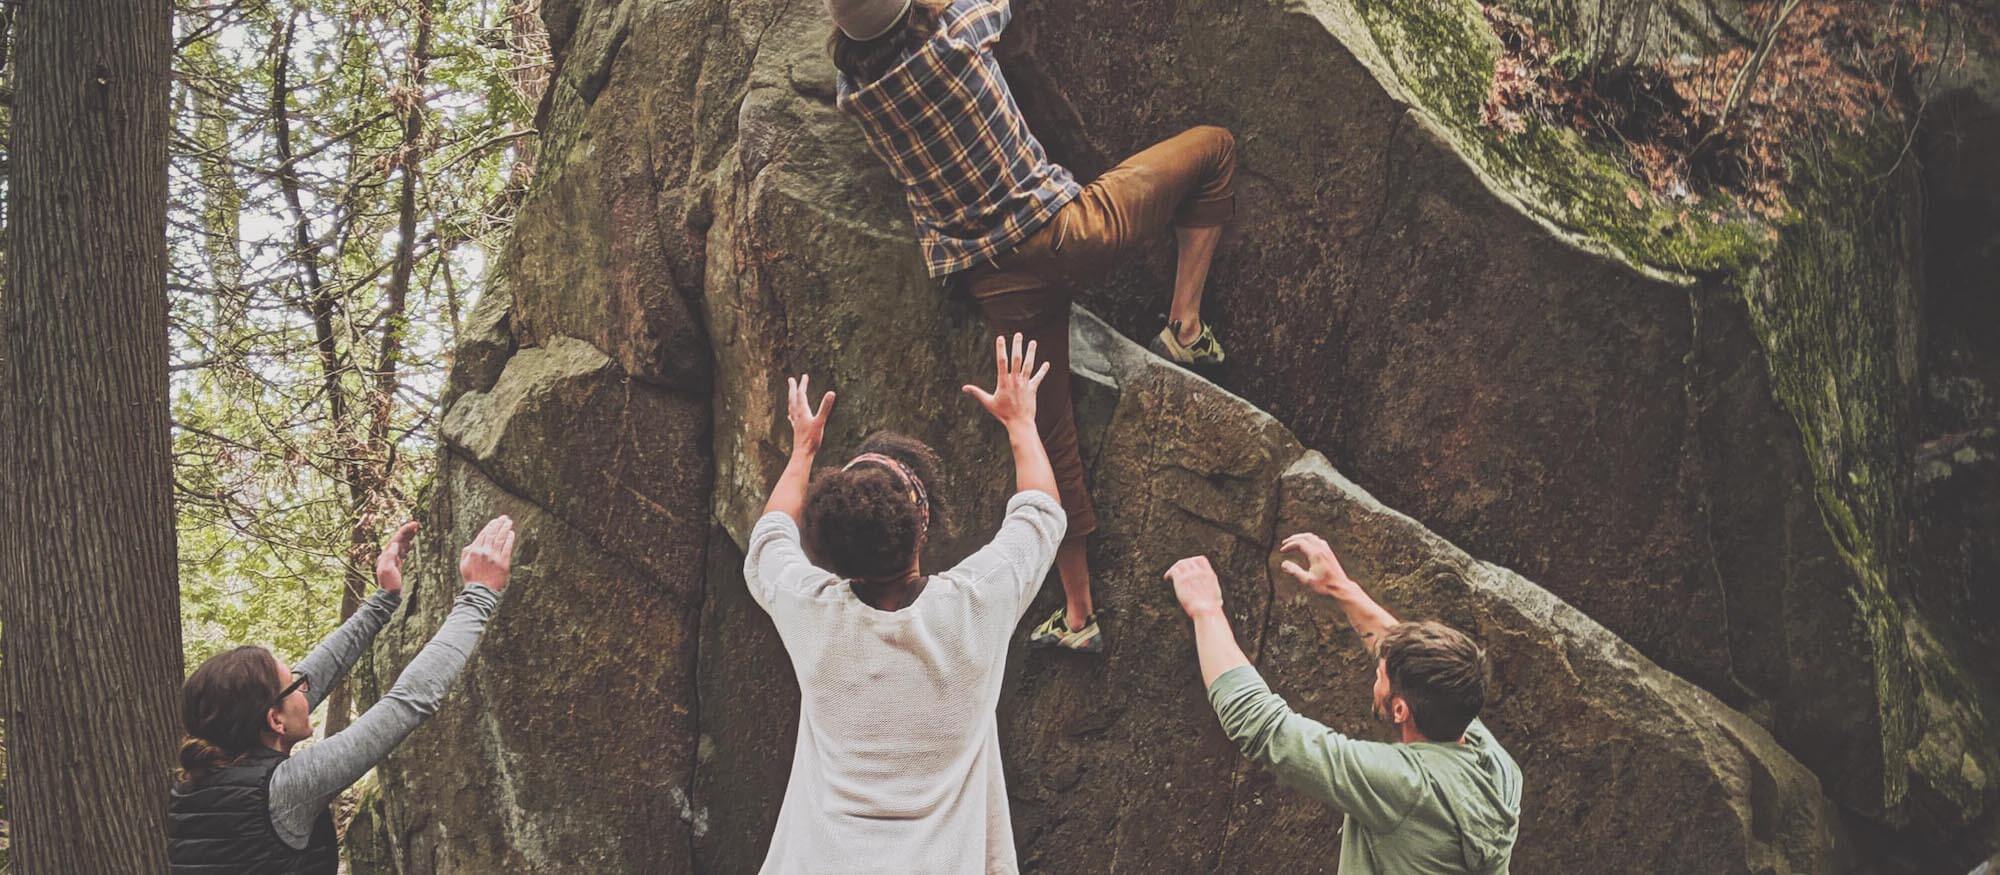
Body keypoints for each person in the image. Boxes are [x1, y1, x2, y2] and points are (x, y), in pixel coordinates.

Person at [827, 0, 1240, 652]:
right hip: (1068, 233)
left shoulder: (858, 96)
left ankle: (1080, 615)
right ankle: (1184, 329)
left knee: (1049, 441)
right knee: (1215, 148)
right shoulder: (960, 31)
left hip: (998, 281)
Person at [744, 333, 1066, 872]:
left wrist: (802, 450)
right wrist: (1021, 423)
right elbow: (1040, 516)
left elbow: (770, 539)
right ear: (923, 528)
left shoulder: (810, 611)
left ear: (830, 545)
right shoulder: (974, 607)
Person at [167, 515, 519, 874]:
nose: (308, 686)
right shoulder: (283, 791)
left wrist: (384, 600)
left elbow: (313, 676)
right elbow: (406, 703)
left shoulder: (199, 785)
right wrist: (479, 594)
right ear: (274, 720)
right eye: (296, 685)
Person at [1163, 534, 1521, 873]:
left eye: (1380, 675)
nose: (1375, 675)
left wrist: (1205, 610)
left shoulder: (1403, 787)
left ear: (1400, 710)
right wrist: (1341, 587)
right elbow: (1418, 669)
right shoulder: (1500, 772)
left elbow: (1263, 727)